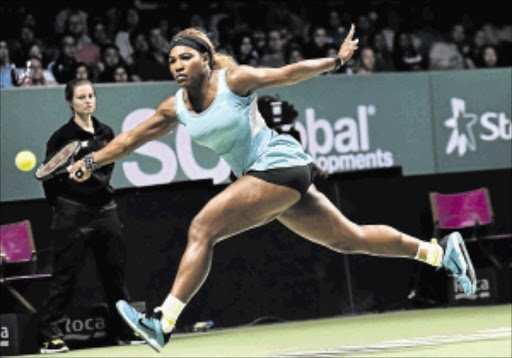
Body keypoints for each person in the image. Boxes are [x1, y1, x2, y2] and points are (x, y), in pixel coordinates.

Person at [69, 25, 476, 352]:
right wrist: (91, 161)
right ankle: (441, 253)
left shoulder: (234, 80)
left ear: (206, 60)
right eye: (172, 59)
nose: (177, 65)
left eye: (186, 57)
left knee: (202, 228)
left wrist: (335, 60)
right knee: (348, 239)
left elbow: (288, 73)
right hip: (271, 176)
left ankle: (163, 322)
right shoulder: (173, 107)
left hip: (278, 165)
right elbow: (128, 141)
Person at [38, 79, 136, 353]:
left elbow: (107, 168)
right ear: (71, 102)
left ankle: (126, 330)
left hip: (105, 211)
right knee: (64, 277)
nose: (88, 101)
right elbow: (48, 177)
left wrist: (87, 173)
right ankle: (50, 336)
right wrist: (64, 203)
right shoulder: (61, 138)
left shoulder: (105, 132)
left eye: (91, 95)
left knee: (114, 275)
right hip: (73, 212)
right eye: (81, 97)